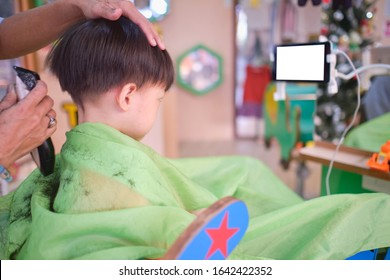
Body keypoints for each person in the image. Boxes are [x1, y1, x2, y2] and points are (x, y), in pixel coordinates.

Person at [2, 16, 390, 260]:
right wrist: (183, 216)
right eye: (158, 98)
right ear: (127, 96)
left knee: (241, 169)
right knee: (354, 211)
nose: (157, 107)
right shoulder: (119, 162)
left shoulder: (81, 150)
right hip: (164, 244)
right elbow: (139, 211)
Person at [0, 0, 164, 181]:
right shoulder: (131, 176)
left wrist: (78, 7)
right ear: (127, 97)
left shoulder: (61, 173)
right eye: (159, 98)